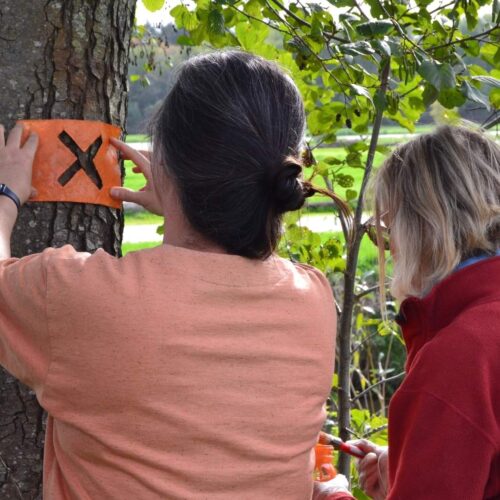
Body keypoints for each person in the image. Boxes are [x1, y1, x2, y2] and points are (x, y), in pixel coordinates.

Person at [0, 50, 352, 499]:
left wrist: (7, 191)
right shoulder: (313, 301)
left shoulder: (82, 297)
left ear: (164, 160)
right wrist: (184, 201)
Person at [321, 125, 500, 499]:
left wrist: (331, 496)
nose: (389, 250)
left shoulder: (458, 358)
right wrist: (412, 462)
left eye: (387, 232)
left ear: (422, 229)